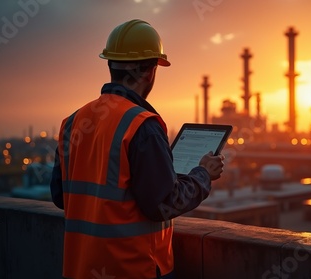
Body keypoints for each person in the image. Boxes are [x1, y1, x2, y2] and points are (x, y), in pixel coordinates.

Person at [50, 19, 224, 279]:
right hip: (133, 269)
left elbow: (59, 196)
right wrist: (202, 175)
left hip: (80, 268)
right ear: (149, 71)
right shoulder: (142, 125)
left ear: (110, 65)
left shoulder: (73, 122)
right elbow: (164, 203)